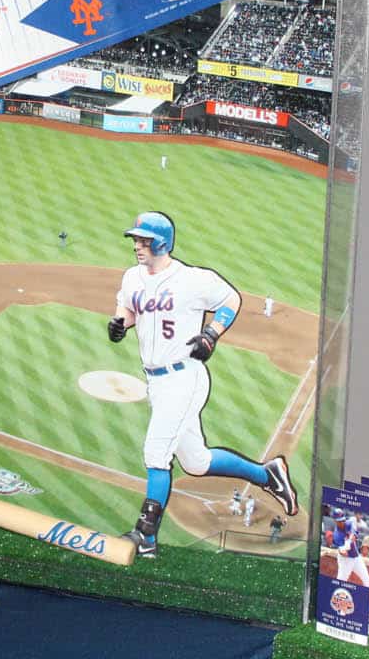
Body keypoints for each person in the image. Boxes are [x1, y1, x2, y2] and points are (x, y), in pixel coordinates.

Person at [107, 211, 298, 558]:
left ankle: (145, 535)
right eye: (135, 240)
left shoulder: (191, 280)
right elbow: (128, 306)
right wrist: (121, 322)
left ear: (161, 243)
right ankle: (267, 474)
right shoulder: (132, 277)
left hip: (184, 378)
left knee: (156, 452)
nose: (137, 246)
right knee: (195, 462)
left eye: (143, 240)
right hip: (156, 382)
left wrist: (212, 333)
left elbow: (231, 300)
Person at [334, 516, 369, 586]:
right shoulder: (337, 535)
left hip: (356, 557)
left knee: (367, 580)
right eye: (339, 521)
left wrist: (351, 538)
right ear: (335, 521)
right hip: (346, 560)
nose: (342, 522)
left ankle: (368, 596)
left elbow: (354, 534)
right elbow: (343, 552)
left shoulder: (348, 523)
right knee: (340, 582)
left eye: (343, 520)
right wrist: (343, 551)